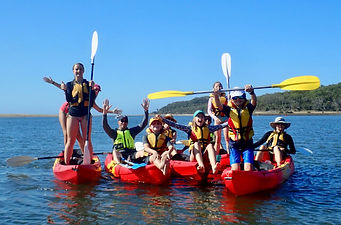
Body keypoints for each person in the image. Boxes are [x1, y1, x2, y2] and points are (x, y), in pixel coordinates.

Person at [43, 76, 121, 154]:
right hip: (65, 111)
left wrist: (113, 111)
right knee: (66, 133)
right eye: (95, 89)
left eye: (98, 91)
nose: (97, 92)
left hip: (77, 116)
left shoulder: (91, 100)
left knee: (80, 138)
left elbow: (100, 110)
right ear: (92, 89)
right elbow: (64, 88)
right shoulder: (82, 90)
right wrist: (52, 82)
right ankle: (66, 153)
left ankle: (84, 154)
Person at [162, 110, 228, 174]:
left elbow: (221, 126)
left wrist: (230, 121)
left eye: (202, 117)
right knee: (196, 144)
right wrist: (162, 119)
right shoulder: (189, 129)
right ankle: (201, 166)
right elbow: (175, 125)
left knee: (210, 145)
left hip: (204, 154)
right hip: (194, 156)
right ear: (194, 119)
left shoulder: (208, 128)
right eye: (198, 116)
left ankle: (214, 167)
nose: (200, 118)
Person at [213, 85, 257, 171]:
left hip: (247, 143)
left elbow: (254, 101)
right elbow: (218, 105)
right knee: (235, 170)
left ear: (244, 97)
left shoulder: (249, 108)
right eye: (235, 98)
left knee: (248, 169)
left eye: (240, 97)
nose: (238, 99)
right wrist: (216, 94)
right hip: (234, 144)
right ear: (232, 99)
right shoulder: (228, 109)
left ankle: (252, 170)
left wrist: (252, 92)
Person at [102, 98, 149, 165]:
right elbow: (105, 126)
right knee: (115, 151)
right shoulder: (114, 133)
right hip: (120, 154)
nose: (124, 123)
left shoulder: (132, 131)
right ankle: (120, 165)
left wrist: (146, 111)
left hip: (132, 153)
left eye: (126, 121)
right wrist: (104, 114)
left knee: (142, 152)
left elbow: (144, 123)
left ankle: (145, 164)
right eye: (122, 121)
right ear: (118, 122)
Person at [208, 81, 230, 155]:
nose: (219, 88)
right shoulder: (211, 99)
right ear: (214, 88)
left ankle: (229, 155)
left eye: (220, 86)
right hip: (217, 119)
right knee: (218, 139)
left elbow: (230, 107)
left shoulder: (226, 98)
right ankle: (216, 158)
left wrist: (230, 99)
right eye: (217, 86)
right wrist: (214, 118)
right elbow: (209, 111)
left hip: (225, 119)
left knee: (227, 138)